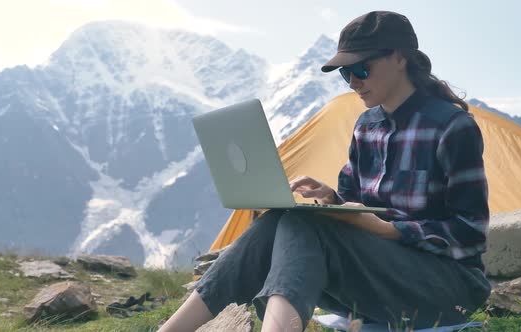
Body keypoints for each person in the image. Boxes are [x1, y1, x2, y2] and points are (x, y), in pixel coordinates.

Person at [157, 10, 491, 332]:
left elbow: (470, 231)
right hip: (379, 280)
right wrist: (331, 198)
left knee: (303, 224)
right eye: (346, 74)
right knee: (282, 218)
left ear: (400, 58)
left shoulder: (451, 127)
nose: (353, 83)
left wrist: (389, 230)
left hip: (447, 288)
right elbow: (356, 206)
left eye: (361, 68)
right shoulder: (366, 126)